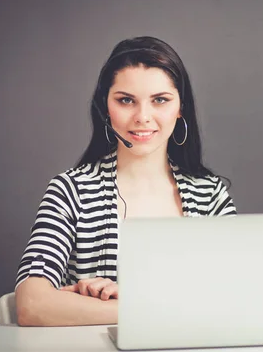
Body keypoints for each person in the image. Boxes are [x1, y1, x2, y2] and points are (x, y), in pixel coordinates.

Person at [15, 36, 236, 326]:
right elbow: (31, 304)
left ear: (181, 107)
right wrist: (147, 309)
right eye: (126, 100)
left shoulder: (211, 196)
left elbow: (232, 298)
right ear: (105, 107)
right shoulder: (70, 191)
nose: (143, 117)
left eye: (160, 100)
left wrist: (124, 302)